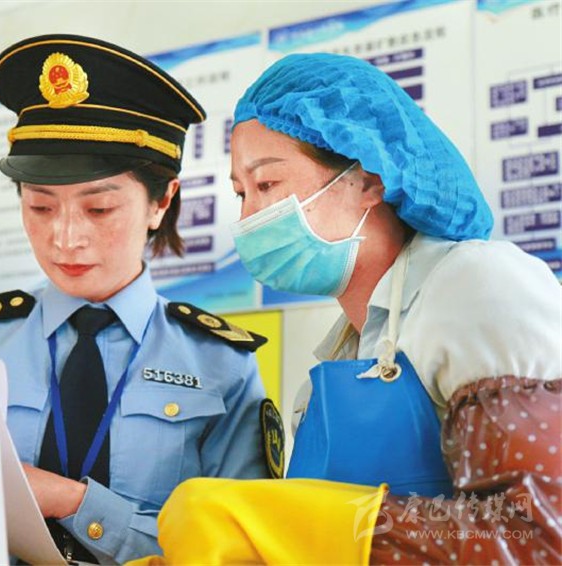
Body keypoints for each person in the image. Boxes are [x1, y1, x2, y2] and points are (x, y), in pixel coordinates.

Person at [133, 53, 561, 564]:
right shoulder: (335, 363)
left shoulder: (477, 285)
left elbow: (537, 534)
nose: (248, 217)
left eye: (266, 185)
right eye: (241, 193)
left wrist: (312, 528)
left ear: (370, 180)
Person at [0, 34, 275, 564]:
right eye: (40, 208)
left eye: (99, 209)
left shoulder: (221, 365)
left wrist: (75, 503)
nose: (65, 238)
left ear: (161, 201)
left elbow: (241, 550)